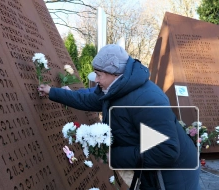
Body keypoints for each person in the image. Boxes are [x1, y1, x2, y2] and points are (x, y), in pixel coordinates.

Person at [38, 44, 200, 190]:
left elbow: (167, 151)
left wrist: (113, 156)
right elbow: (88, 99)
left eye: (99, 74)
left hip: (172, 178)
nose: (96, 79)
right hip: (152, 173)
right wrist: (53, 92)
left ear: (115, 74)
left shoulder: (148, 101)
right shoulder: (114, 89)